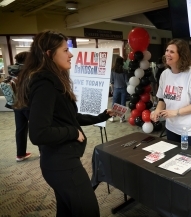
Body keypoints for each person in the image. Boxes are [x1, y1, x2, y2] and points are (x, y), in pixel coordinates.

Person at [14, 30, 115, 217]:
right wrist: (72, 132)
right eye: (65, 50)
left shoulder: (53, 81)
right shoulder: (45, 85)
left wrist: (101, 116)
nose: (70, 54)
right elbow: (38, 133)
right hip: (61, 165)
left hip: (62, 161)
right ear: (49, 54)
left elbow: (70, 117)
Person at [150, 39, 191, 147]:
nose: (167, 54)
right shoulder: (165, 74)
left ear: (181, 55)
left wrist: (175, 112)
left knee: (189, 159)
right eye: (167, 50)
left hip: (190, 129)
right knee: (173, 158)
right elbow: (162, 98)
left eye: (172, 52)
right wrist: (157, 111)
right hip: (172, 127)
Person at [10, 52, 31, 161]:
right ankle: (43, 151)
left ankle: (20, 154)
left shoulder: (12, 71)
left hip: (16, 104)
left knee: (20, 130)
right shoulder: (28, 71)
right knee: (37, 126)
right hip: (28, 104)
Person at [109, 56, 128, 123]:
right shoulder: (124, 71)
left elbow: (112, 82)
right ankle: (121, 118)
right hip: (123, 89)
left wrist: (112, 89)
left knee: (114, 104)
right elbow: (126, 81)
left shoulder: (112, 70)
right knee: (123, 104)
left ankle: (112, 117)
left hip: (116, 89)